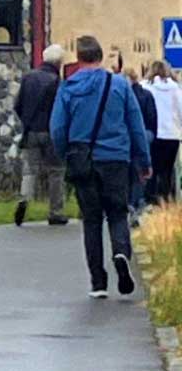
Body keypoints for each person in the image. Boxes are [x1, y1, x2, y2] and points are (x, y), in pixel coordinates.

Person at [51, 35, 151, 299]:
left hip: (83, 159)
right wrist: (143, 161)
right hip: (116, 158)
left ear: (80, 58)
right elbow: (135, 125)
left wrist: (66, 154)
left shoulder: (69, 87)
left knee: (92, 219)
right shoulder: (119, 85)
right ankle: (120, 252)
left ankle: (98, 282)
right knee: (118, 213)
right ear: (100, 55)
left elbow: (58, 128)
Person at [13, 44, 67, 226]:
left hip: (31, 131)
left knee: (30, 170)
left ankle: (24, 199)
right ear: (59, 62)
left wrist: (27, 122)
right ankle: (55, 212)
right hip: (51, 133)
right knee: (56, 172)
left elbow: (17, 105)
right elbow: (61, 110)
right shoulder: (57, 82)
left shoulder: (28, 78)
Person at [121, 62, 157, 226]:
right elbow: (152, 117)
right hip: (143, 135)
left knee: (126, 171)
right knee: (140, 171)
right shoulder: (146, 95)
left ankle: (128, 202)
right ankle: (138, 201)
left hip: (124, 138)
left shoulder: (121, 94)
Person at [145, 60, 182, 202]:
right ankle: (166, 200)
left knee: (152, 170)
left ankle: (151, 201)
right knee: (167, 171)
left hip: (154, 135)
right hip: (172, 135)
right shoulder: (176, 89)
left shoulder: (146, 87)